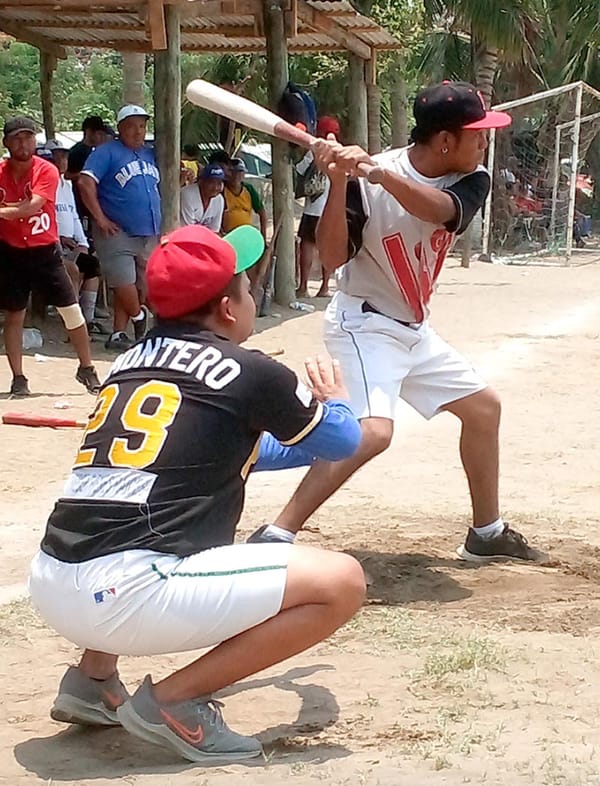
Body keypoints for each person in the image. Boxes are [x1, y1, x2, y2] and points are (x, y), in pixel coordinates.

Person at [28, 223, 365, 764]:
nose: (250, 294)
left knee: (136, 519)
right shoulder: (250, 371)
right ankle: (173, 702)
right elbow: (344, 438)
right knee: (341, 582)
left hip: (52, 580)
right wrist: (338, 401)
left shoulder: (131, 363)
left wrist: (306, 439)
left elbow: (237, 452)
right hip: (125, 595)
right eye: (245, 286)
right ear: (228, 309)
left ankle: (92, 680)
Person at [249, 81, 543, 563]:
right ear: (445, 141)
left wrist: (379, 176)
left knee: (484, 408)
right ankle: (277, 533)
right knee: (374, 434)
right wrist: (341, 180)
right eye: (478, 134)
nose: (485, 143)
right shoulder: (367, 183)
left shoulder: (472, 177)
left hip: (412, 329)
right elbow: (330, 256)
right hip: (363, 324)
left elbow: (443, 212)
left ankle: (486, 533)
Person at [0, 117, 101, 397]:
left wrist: (4, 211)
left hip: (44, 250)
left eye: (28, 137)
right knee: (14, 314)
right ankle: (18, 376)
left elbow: (33, 206)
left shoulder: (46, 170)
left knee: (71, 310)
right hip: (11, 251)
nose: (23, 143)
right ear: (6, 143)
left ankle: (87, 367)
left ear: (35, 141)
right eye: (17, 138)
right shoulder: (1, 171)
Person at [78, 105, 160, 351]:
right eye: (132, 126)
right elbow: (84, 182)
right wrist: (100, 218)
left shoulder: (149, 154)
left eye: (142, 126)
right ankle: (139, 317)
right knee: (123, 283)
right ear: (121, 128)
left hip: (148, 230)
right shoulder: (107, 152)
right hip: (116, 231)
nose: (138, 131)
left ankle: (118, 335)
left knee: (140, 285)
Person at [45, 139, 104, 335]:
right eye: (57, 156)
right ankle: (73, 323)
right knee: (73, 270)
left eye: (64, 156)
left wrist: (82, 242)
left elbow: (73, 215)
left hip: (72, 244)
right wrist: (60, 238)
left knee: (93, 266)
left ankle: (87, 319)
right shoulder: (45, 184)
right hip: (52, 244)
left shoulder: (67, 185)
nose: (62, 160)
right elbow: (46, 215)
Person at [295, 116, 340, 298]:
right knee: (327, 248)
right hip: (330, 208)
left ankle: (304, 286)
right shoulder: (340, 152)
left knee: (307, 245)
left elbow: (299, 170)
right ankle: (325, 287)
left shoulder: (314, 149)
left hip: (312, 207)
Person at [222, 158, 268, 241]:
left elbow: (262, 213)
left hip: (246, 234)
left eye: (240, 172)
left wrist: (263, 237)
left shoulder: (248, 189)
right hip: (228, 235)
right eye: (233, 172)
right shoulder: (221, 190)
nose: (236, 175)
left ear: (244, 174)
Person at [180, 163, 225, 231]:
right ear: (201, 181)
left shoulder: (219, 199)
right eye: (211, 182)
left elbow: (214, 230)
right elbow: (187, 230)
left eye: (219, 183)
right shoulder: (187, 194)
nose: (215, 187)